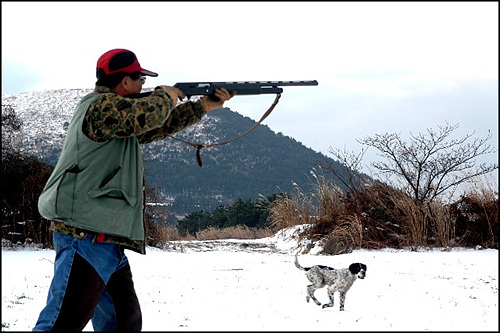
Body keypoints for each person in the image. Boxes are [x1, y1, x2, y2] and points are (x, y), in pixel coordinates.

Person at [33, 48, 234, 331]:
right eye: (139, 78)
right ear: (124, 82)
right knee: (61, 324)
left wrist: (202, 106)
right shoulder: (101, 107)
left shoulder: (120, 116)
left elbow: (155, 127)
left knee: (123, 322)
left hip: (107, 237)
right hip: (87, 236)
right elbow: (149, 116)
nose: (143, 84)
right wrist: (168, 94)